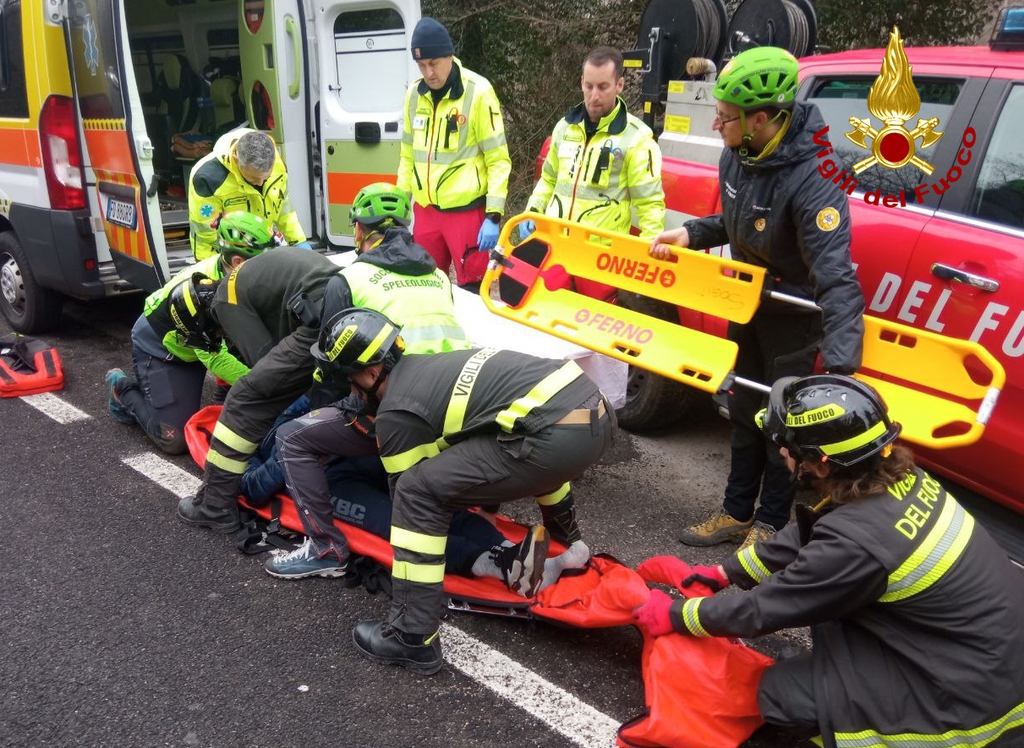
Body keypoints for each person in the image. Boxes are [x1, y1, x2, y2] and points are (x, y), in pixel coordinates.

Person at [633, 374, 1024, 748]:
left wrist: (678, 614)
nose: (782, 452)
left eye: (788, 447)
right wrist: (725, 571)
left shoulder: (856, 544)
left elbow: (767, 607)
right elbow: (814, 531)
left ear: (821, 464)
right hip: (985, 657)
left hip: (972, 704)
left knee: (777, 692)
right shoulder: (901, 479)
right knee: (831, 645)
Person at [319, 308, 616, 675]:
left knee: (415, 495)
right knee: (517, 449)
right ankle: (566, 542)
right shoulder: (431, 366)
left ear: (370, 372)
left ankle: (412, 635)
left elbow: (407, 505)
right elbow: (483, 434)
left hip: (554, 436)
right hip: (595, 416)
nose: (350, 390)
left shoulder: (396, 411)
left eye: (350, 380)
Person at [648, 47, 864, 550]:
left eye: (723, 118)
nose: (715, 125)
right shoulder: (739, 153)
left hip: (795, 316)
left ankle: (769, 525)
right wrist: (692, 233)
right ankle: (734, 512)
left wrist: (840, 370)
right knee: (742, 411)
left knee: (779, 429)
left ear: (760, 119)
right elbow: (737, 219)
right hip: (747, 302)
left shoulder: (816, 182)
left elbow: (836, 277)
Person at [264, 181, 472, 580]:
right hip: (455, 404)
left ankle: (325, 549)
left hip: (398, 408)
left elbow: (333, 369)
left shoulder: (352, 278)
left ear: (360, 230)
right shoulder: (438, 275)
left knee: (293, 437)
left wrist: (325, 421)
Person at [242, 403, 569, 590]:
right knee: (399, 517)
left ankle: (514, 554)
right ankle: (504, 566)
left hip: (352, 459)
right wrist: (294, 446)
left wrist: (304, 436)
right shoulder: (259, 441)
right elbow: (255, 487)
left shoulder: (284, 405)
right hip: (330, 477)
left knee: (421, 510)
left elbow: (322, 403)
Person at [174, 246, 341, 533]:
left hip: (320, 318)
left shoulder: (223, 300)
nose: (218, 337)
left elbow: (265, 364)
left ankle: (214, 505)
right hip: (341, 309)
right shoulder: (246, 278)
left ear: (200, 318)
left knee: (244, 398)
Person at [104, 212, 277, 453]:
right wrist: (272, 387)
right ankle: (122, 390)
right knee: (173, 439)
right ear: (238, 261)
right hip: (164, 351)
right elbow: (216, 356)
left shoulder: (242, 274)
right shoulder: (203, 291)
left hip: (205, 345)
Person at [524, 46, 665, 302]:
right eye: (588, 86)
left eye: (603, 87)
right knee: (545, 316)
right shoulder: (564, 128)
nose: (594, 96)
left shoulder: (636, 138)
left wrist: (647, 255)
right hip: (557, 246)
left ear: (620, 84)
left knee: (594, 332)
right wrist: (533, 211)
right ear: (581, 82)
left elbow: (650, 204)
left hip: (602, 258)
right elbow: (549, 178)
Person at [396, 17, 512, 293]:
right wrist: (399, 207)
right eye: (422, 66)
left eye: (433, 63)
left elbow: (498, 159)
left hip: (466, 213)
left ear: (449, 56)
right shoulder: (414, 95)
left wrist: (493, 216)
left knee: (472, 289)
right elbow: (407, 157)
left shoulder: (478, 93)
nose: (428, 73)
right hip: (425, 212)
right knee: (424, 287)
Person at [188, 128, 309, 260]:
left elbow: (284, 209)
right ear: (236, 159)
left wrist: (298, 241)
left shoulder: (277, 165)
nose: (260, 183)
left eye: (266, 178)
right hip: (229, 252)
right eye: (253, 178)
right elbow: (205, 232)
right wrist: (213, 267)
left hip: (263, 246)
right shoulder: (208, 178)